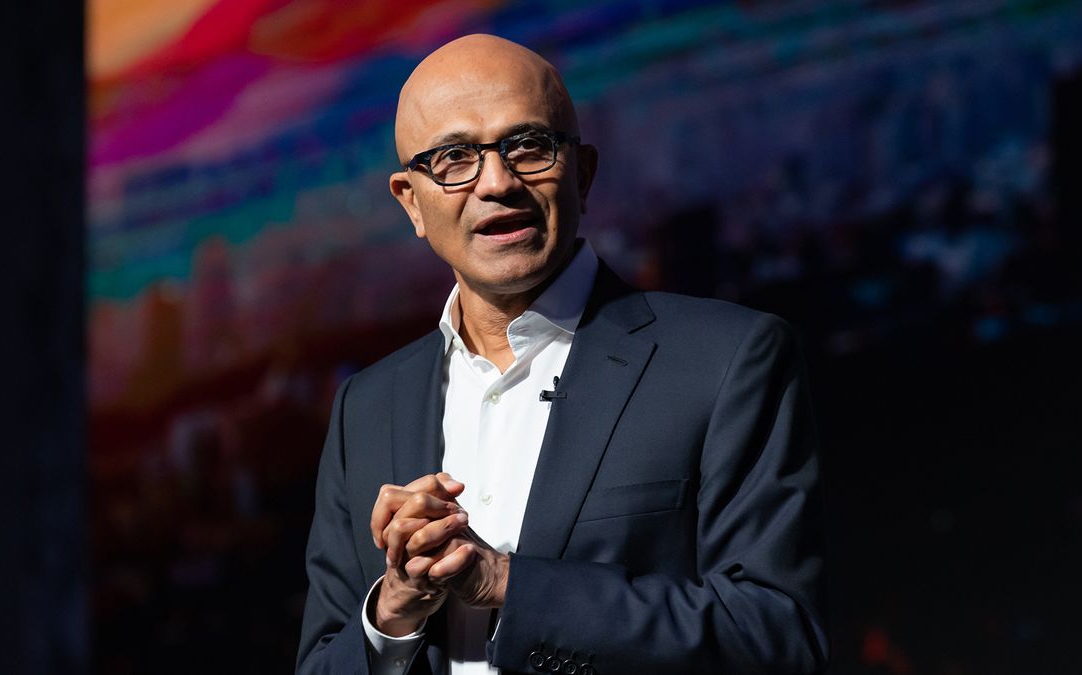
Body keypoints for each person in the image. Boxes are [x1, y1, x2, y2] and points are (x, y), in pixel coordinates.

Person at [297, 34, 827, 675]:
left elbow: (778, 640)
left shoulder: (727, 361)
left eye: (528, 146)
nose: (496, 182)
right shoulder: (367, 406)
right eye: (454, 157)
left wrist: (505, 584)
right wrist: (394, 615)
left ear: (582, 173)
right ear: (411, 200)